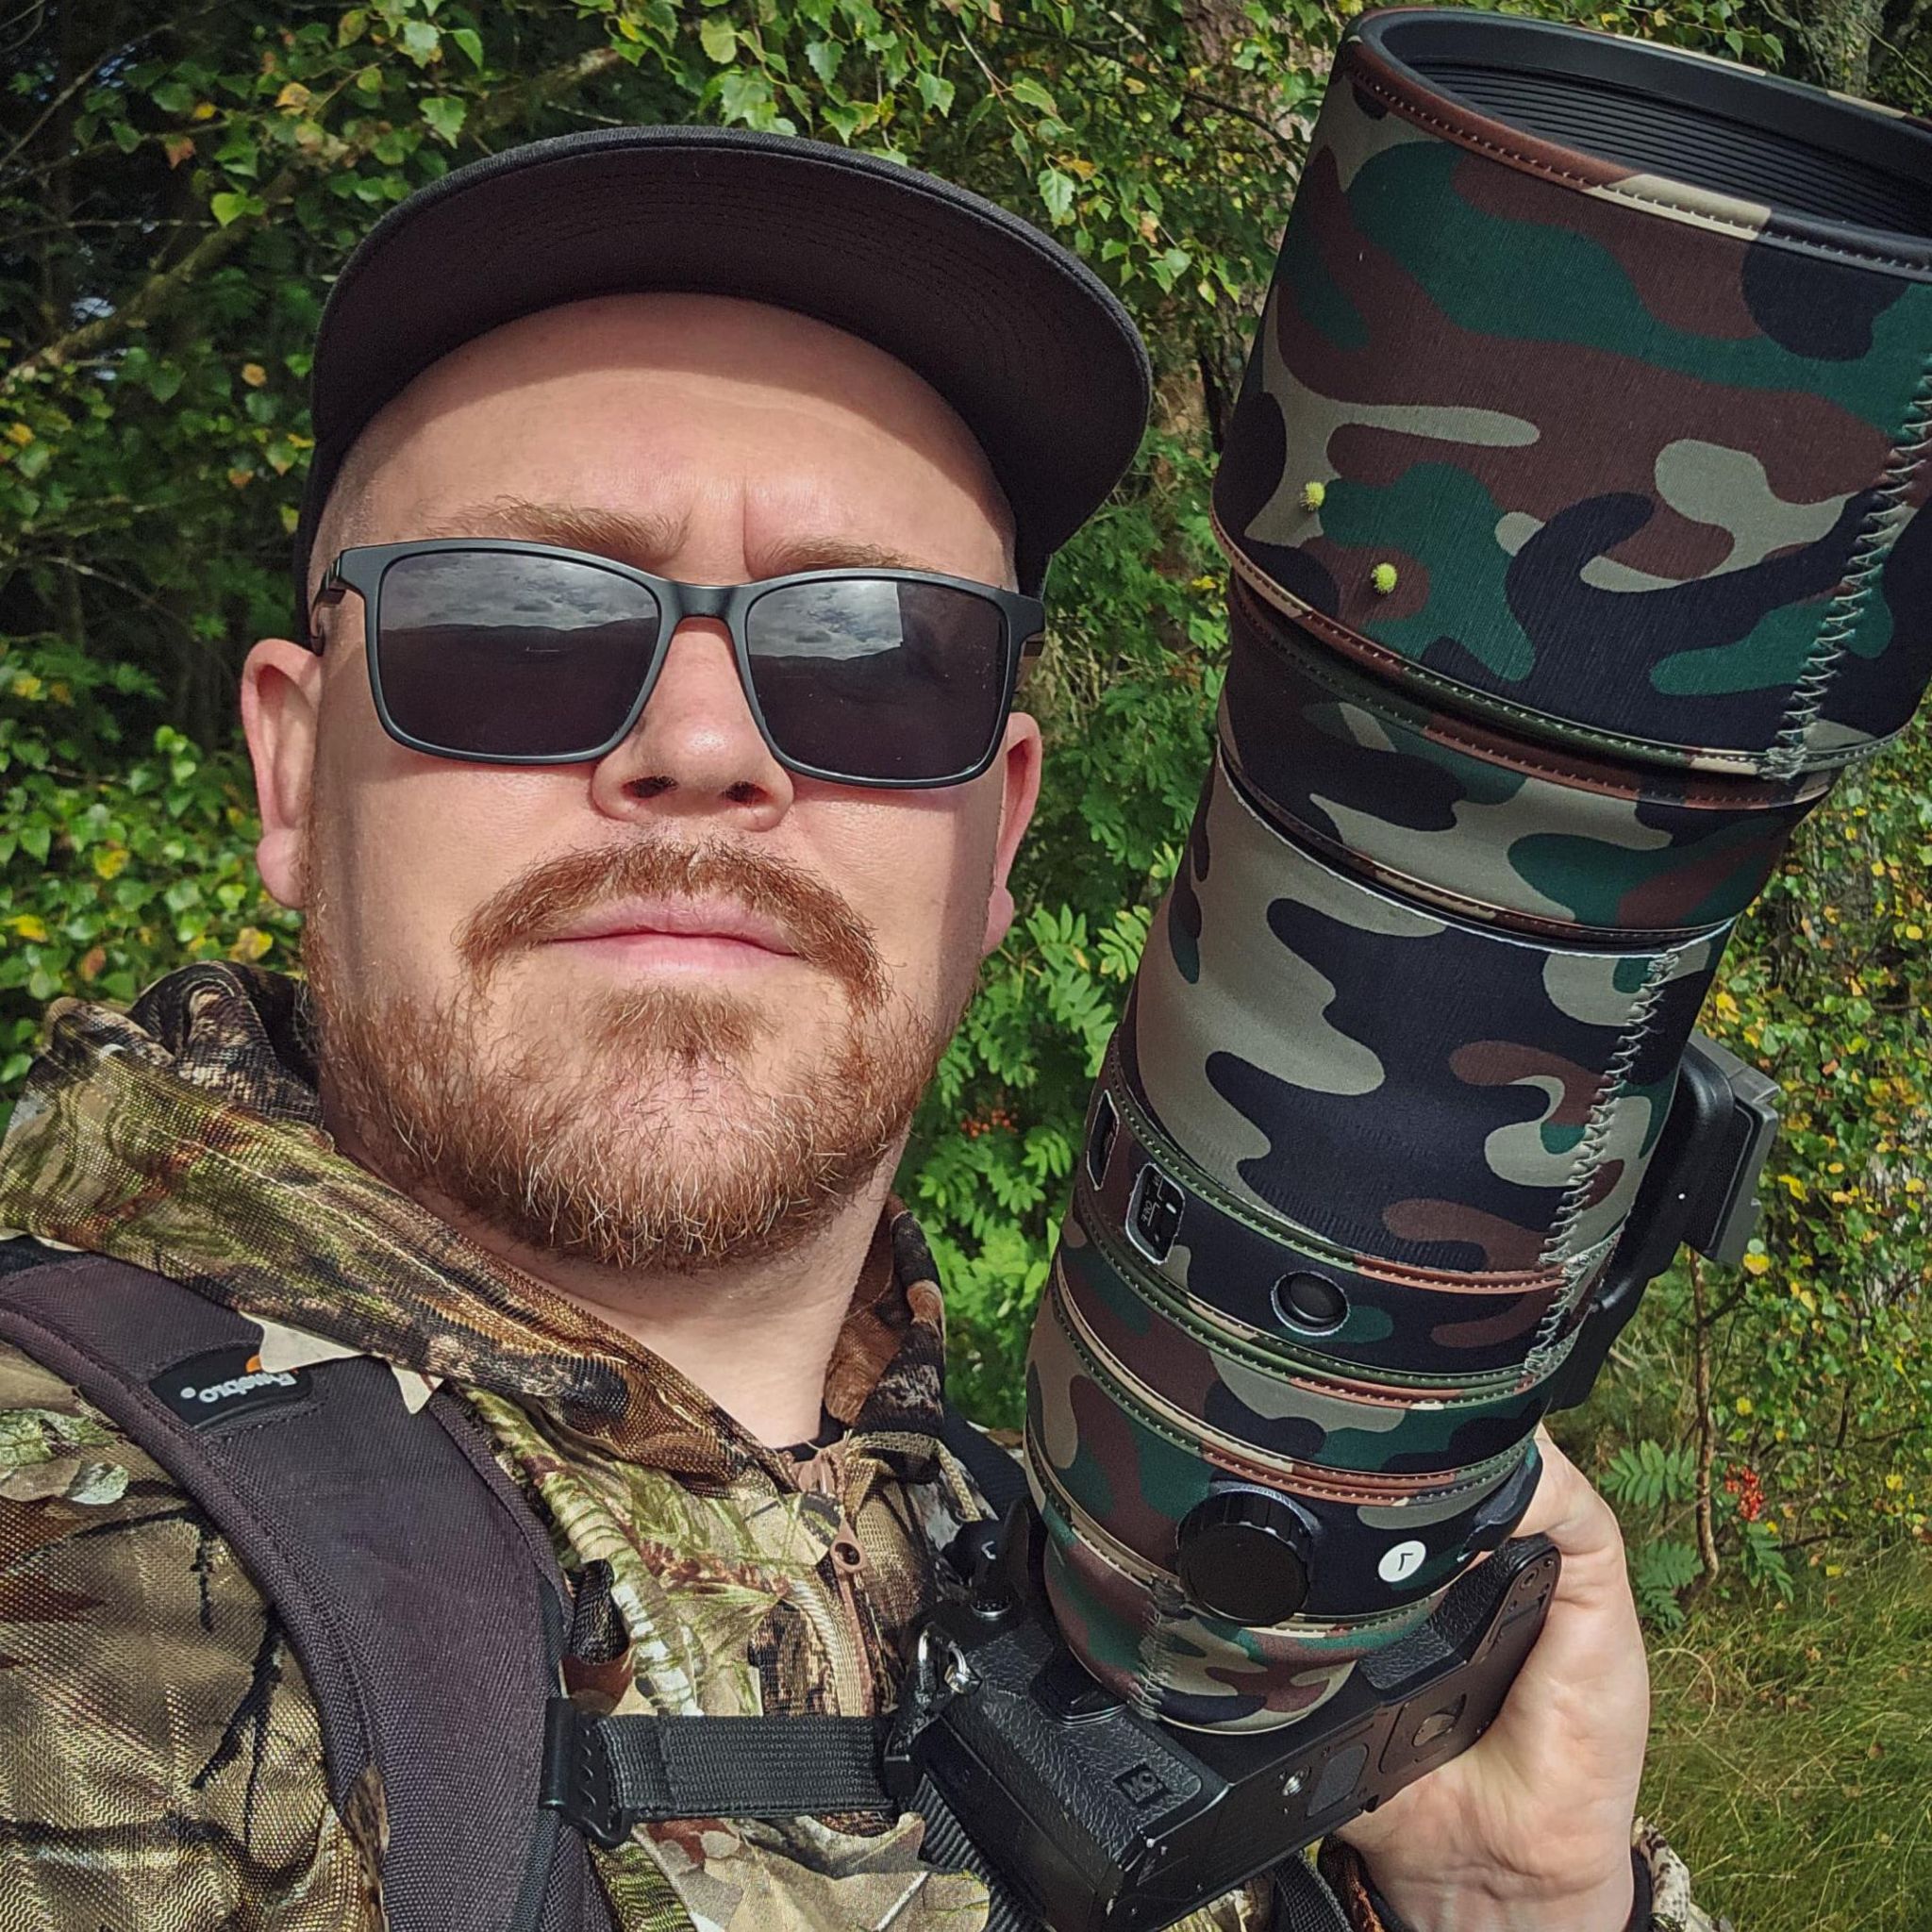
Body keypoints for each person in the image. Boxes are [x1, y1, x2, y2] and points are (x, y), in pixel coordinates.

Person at [0, 126, 1727, 1932]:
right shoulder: (80, 1604)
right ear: (290, 768)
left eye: (873, 657)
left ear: (999, 834)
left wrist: (1511, 1905)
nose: (702, 747)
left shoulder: (1067, 1579)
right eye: (514, 626)